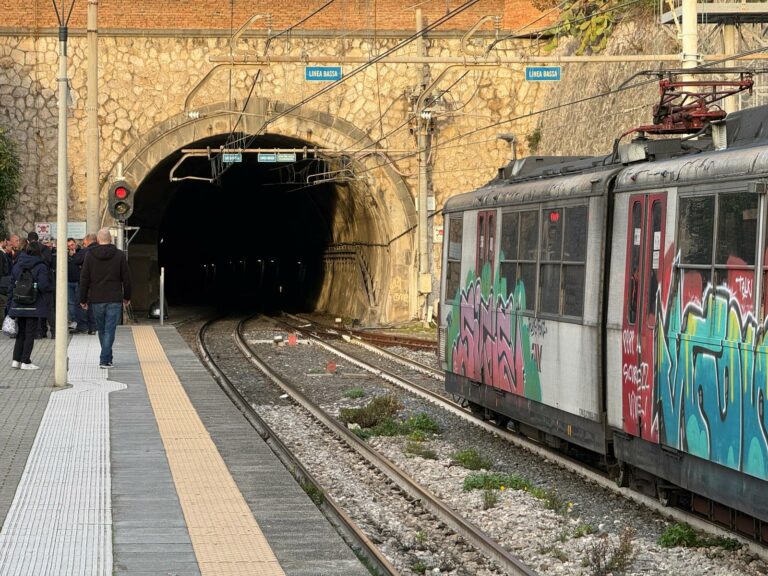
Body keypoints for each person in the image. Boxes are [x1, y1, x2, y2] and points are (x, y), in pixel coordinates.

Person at [79, 228, 131, 368]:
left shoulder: (89, 255)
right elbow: (126, 278)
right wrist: (127, 296)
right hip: (114, 298)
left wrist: (82, 299)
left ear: (98, 240)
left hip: (96, 298)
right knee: (110, 330)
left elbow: (84, 278)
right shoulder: (119, 255)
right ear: (111, 239)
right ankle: (105, 359)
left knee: (102, 330)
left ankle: (106, 358)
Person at [8, 241, 51, 370]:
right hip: (33, 304)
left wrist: (10, 305)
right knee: (30, 333)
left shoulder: (17, 264)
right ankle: (26, 361)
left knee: (20, 332)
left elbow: (11, 285)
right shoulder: (41, 266)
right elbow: (43, 286)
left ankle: (16, 360)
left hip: (18, 303)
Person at [72, 233, 97, 334]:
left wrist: (74, 254)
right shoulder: (100, 250)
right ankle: (93, 327)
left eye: (84, 241)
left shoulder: (86, 251)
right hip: (98, 283)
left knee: (82, 303)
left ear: (88, 241)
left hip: (85, 282)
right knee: (93, 306)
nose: (83, 243)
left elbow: (77, 260)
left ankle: (83, 326)